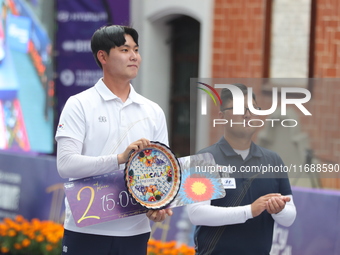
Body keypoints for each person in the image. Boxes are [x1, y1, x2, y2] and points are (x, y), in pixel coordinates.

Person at [55, 25, 172, 255]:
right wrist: (119, 159)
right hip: (86, 230)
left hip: (135, 233)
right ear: (103, 56)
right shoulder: (79, 104)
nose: (134, 56)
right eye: (124, 49)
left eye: (136, 50)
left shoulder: (153, 110)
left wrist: (158, 205)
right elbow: (65, 164)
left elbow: (162, 171)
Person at [187, 84, 296, 255]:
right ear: (222, 116)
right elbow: (196, 213)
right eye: (240, 108)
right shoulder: (203, 158)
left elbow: (290, 217)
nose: (247, 114)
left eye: (253, 108)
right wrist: (249, 211)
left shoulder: (273, 160)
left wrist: (279, 210)